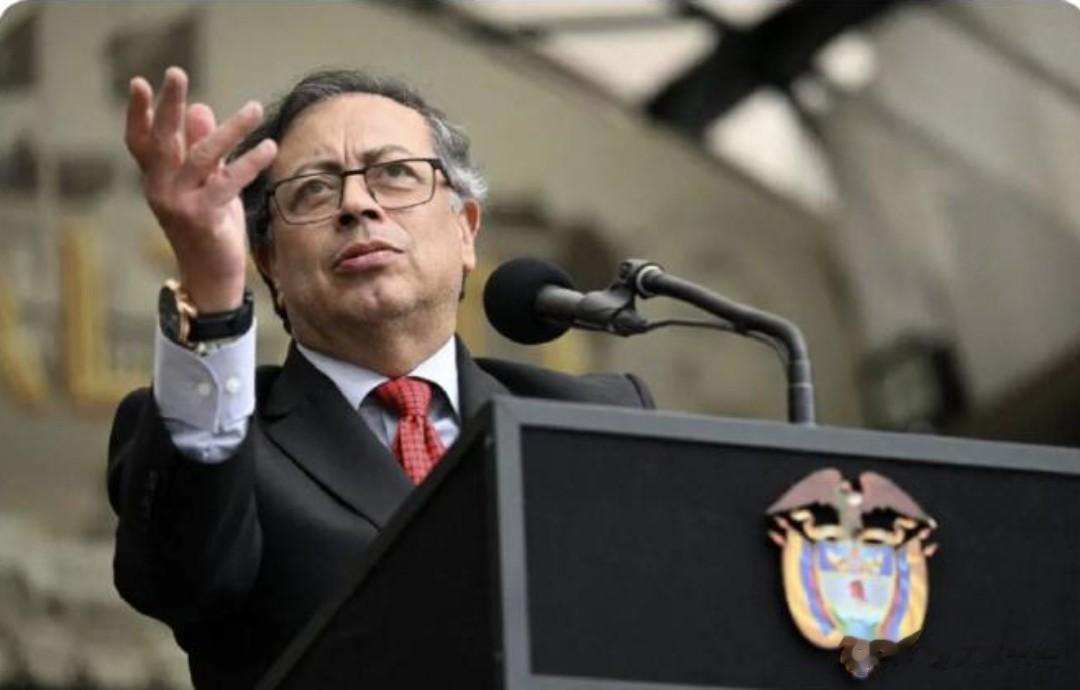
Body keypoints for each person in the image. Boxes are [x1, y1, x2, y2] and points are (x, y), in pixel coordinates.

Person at [107, 66, 654, 689]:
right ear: (269, 263)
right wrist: (210, 292)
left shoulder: (593, 419)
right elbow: (181, 581)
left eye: (394, 174)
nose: (356, 205)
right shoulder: (220, 436)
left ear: (466, 229)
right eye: (314, 190)